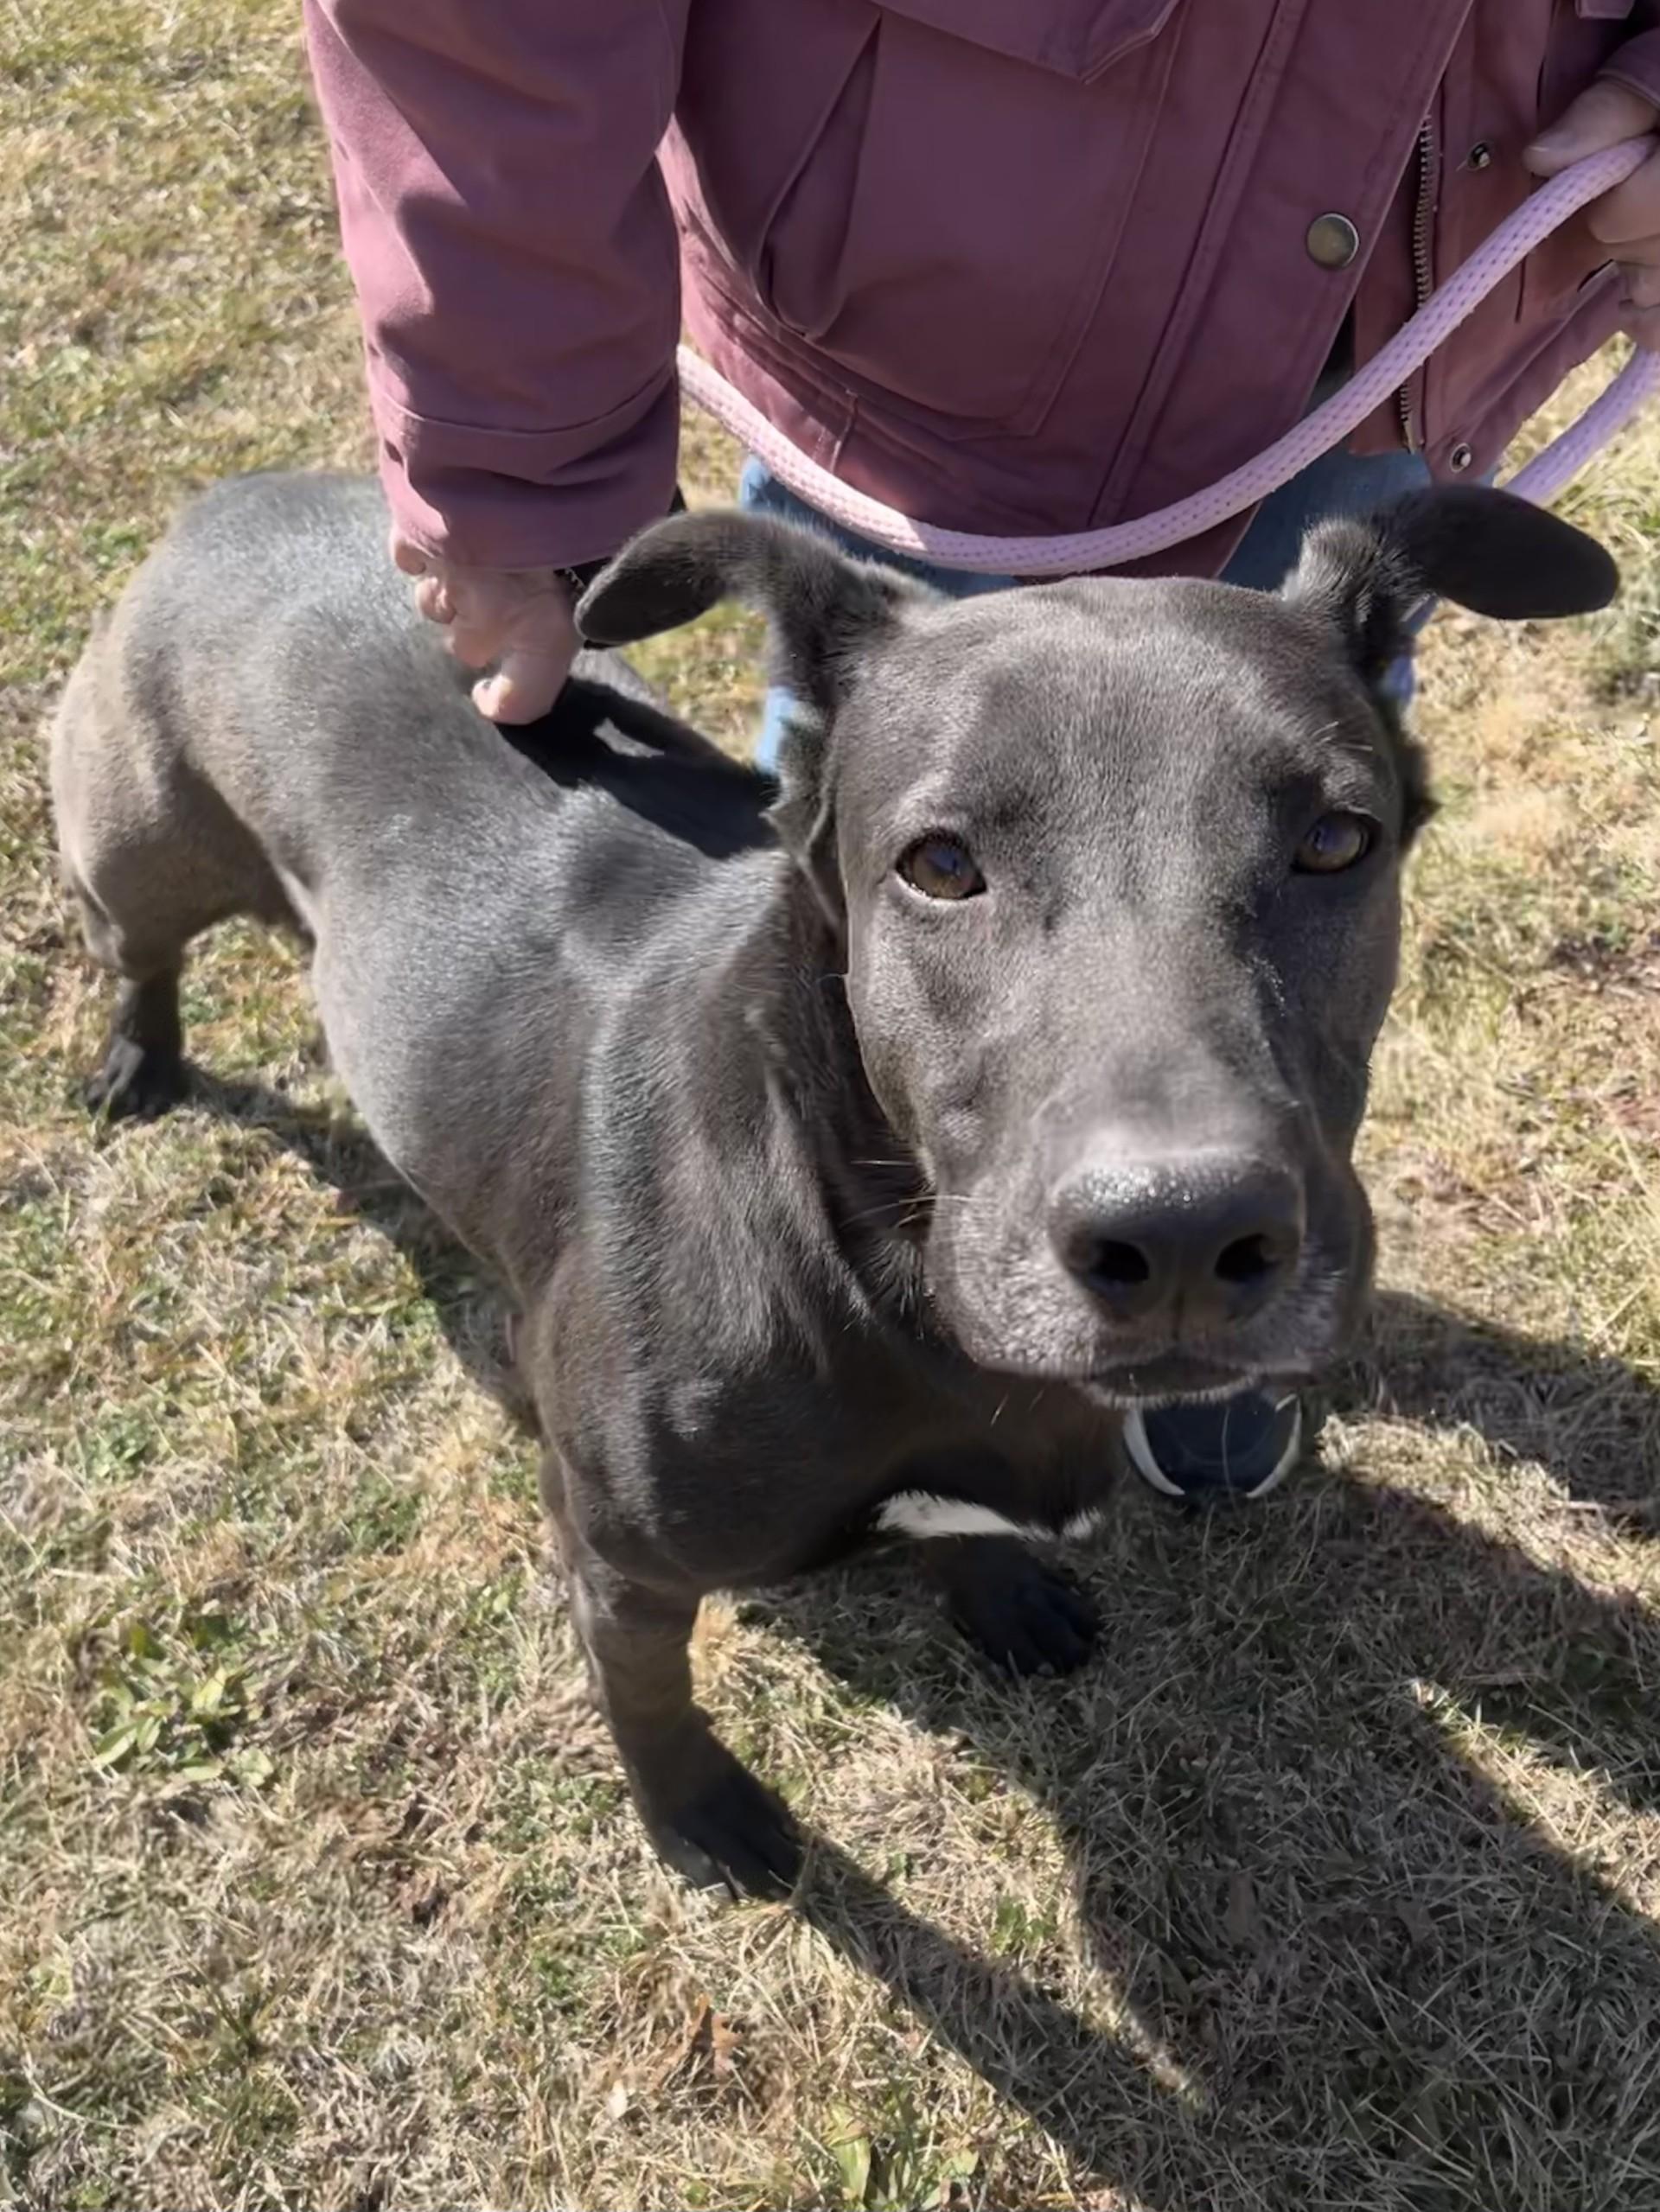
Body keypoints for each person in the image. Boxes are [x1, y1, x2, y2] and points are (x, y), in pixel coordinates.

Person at [303, 3, 1660, 1502]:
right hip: (920, 354)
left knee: (1234, 916)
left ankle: (1214, 1308)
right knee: (851, 951)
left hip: (1395, 330)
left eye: (1341, 839)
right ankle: (835, 1318)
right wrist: (507, 451)